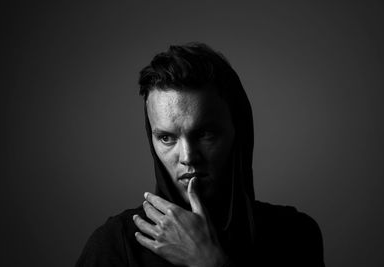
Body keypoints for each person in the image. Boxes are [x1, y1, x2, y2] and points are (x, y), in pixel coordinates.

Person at [76, 43, 325, 267]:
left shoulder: (295, 236)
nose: (188, 156)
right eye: (166, 138)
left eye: (205, 134)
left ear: (238, 132)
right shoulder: (116, 245)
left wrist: (209, 262)